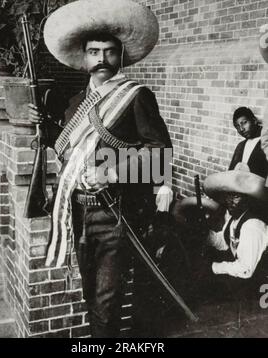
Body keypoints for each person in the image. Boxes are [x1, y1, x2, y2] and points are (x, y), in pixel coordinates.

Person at [29, 0, 172, 338]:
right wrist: (44, 129)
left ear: (119, 56)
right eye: (94, 52)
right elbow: (68, 149)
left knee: (107, 303)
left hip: (114, 215)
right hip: (76, 214)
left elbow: (160, 154)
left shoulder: (136, 97)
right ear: (85, 58)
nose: (102, 59)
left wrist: (111, 173)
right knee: (91, 295)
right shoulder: (77, 105)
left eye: (109, 52)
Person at [203, 169, 268, 282]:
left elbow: (245, 269)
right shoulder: (235, 218)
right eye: (228, 196)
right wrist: (204, 234)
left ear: (248, 200)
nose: (230, 201)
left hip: (257, 284)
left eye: (236, 197)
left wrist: (213, 267)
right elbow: (225, 242)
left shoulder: (252, 226)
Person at [229, 107, 268, 178]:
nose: (241, 129)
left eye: (244, 123)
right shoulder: (240, 146)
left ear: (254, 120)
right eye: (237, 126)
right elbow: (230, 174)